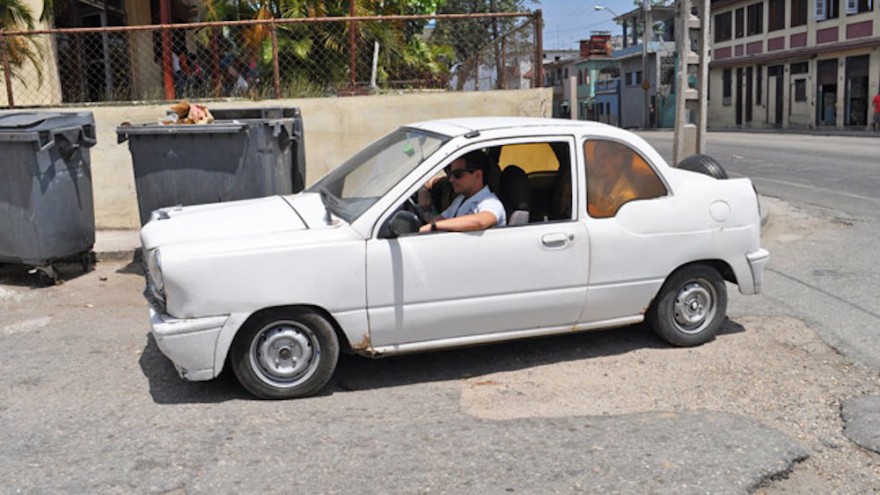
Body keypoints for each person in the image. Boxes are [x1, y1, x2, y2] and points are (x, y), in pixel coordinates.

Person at [419, 151, 506, 233]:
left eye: (457, 174)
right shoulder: (460, 199)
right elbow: (443, 218)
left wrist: (434, 226)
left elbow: (482, 221)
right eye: (450, 173)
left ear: (478, 175)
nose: (451, 179)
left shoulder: (490, 202)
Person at [586, 141, 639, 218]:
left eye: (603, 157)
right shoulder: (595, 183)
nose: (598, 161)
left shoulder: (628, 197)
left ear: (618, 159)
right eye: (596, 157)